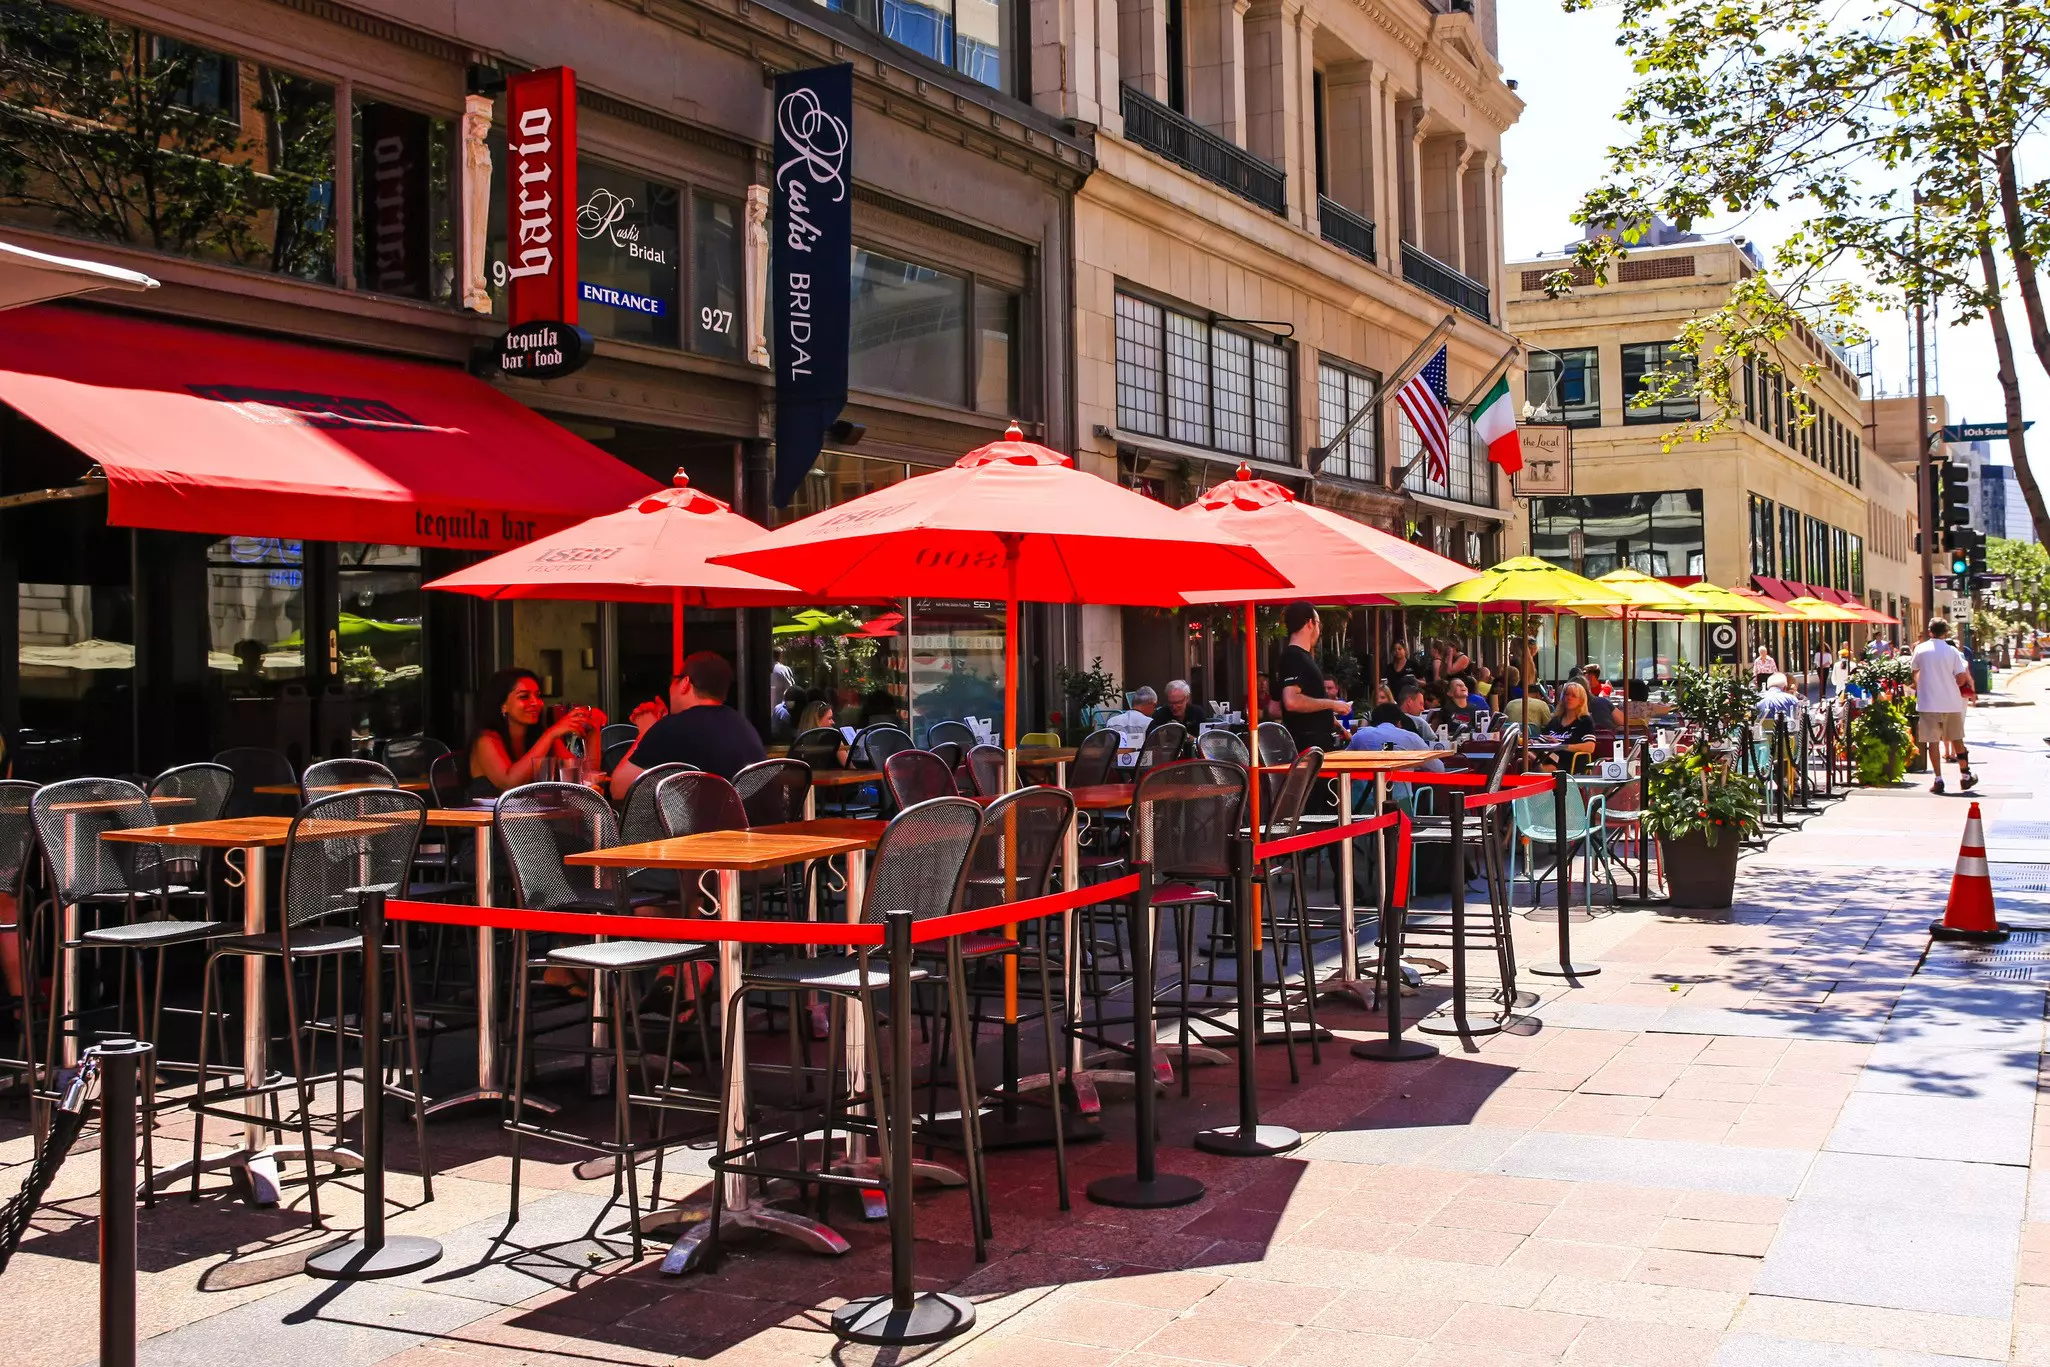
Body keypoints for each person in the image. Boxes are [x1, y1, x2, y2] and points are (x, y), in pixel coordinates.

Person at [611, 651, 766, 796]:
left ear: (685, 683)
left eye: (673, 680)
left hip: (712, 825)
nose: (670, 688)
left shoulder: (673, 728)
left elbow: (618, 789)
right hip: (759, 824)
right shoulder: (742, 724)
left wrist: (646, 731)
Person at [467, 667, 606, 799]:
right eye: (524, 697)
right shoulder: (486, 739)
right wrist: (551, 734)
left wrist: (593, 729)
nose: (536, 703)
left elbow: (585, 776)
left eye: (538, 696)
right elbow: (509, 784)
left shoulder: (541, 737)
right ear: (503, 705)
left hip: (531, 820)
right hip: (488, 821)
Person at [1912, 617, 1977, 794]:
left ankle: (1938, 779)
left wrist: (1923, 685)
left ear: (1929, 631)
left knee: (1933, 743)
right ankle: (1965, 776)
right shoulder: (1952, 651)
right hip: (1951, 702)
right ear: (1946, 632)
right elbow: (1961, 678)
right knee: (1957, 739)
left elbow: (1915, 672)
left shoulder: (1920, 649)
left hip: (1928, 703)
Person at [1276, 602, 1350, 753]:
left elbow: (1275, 706)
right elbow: (1291, 701)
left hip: (1314, 742)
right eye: (1318, 623)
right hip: (1308, 746)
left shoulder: (1300, 657)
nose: (1319, 629)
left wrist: (1335, 723)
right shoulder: (1294, 656)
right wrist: (1332, 704)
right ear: (1310, 623)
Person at [1535, 681, 1598, 768]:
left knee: (1537, 767)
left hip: (1569, 763)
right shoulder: (1556, 720)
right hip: (1549, 758)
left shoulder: (1585, 721)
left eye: (1573, 696)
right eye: (1566, 694)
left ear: (1581, 701)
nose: (1569, 698)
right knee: (1524, 760)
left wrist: (1561, 746)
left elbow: (1590, 747)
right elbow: (1543, 738)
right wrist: (1534, 742)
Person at [1499, 665, 1552, 730]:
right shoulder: (1521, 693)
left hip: (1512, 734)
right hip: (1532, 736)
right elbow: (1549, 726)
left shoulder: (1505, 699)